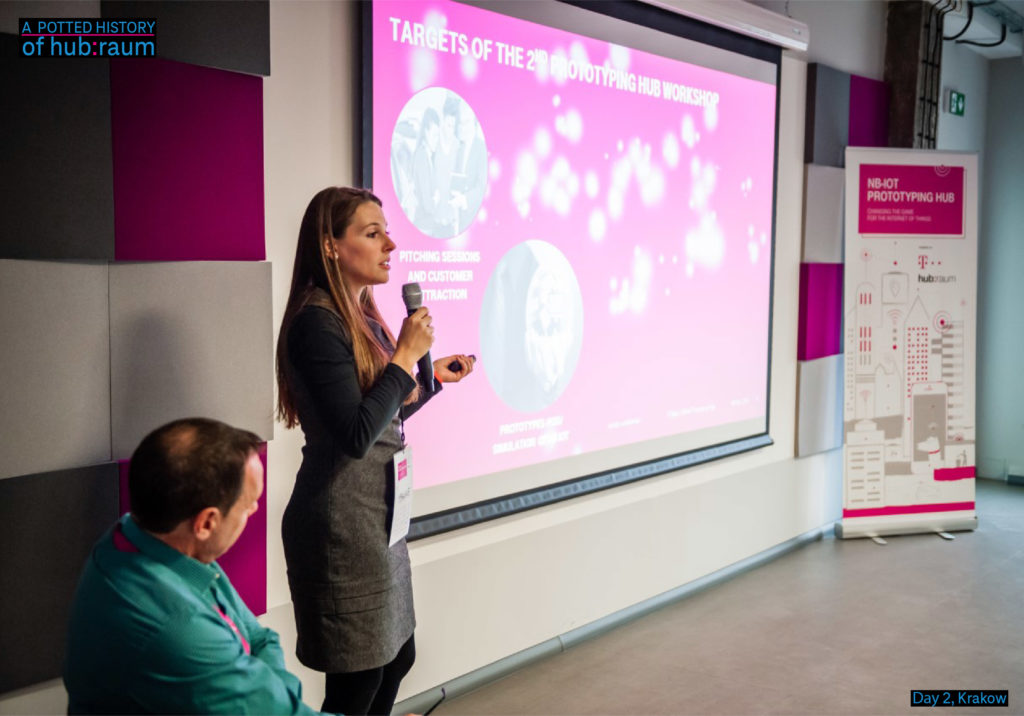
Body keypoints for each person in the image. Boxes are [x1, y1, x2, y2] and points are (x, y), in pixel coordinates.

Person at [276, 187, 474, 716]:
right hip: (341, 525)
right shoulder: (317, 321)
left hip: (375, 520)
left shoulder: (358, 314)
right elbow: (354, 434)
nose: (390, 243)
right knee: (357, 681)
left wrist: (429, 381)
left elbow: (379, 417)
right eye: (372, 233)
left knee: (396, 658)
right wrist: (404, 356)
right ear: (331, 246)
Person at [63, 418, 322, 715]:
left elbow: (260, 638)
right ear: (206, 523)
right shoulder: (177, 629)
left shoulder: (135, 536)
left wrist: (270, 694)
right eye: (248, 503)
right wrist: (274, 698)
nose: (253, 510)